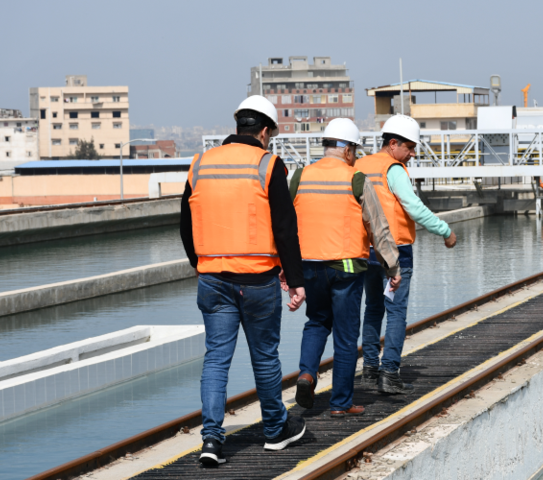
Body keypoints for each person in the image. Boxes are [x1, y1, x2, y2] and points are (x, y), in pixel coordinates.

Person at [179, 95, 307, 466]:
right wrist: (295, 278)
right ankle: (274, 430)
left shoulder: (200, 164)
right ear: (265, 131)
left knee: (216, 359)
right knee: (264, 357)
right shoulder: (268, 164)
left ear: (238, 126)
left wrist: (200, 262)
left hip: (212, 278)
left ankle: (211, 440)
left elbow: (185, 224)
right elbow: (285, 228)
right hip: (257, 278)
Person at [290, 118, 401, 417]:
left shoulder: (300, 176)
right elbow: (379, 228)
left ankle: (306, 375)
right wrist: (393, 267)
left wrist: (284, 270)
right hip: (347, 268)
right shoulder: (357, 179)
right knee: (345, 334)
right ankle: (340, 403)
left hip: (309, 266)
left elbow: (284, 225)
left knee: (316, 321)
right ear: (349, 150)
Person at [356, 114, 457, 395]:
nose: (412, 154)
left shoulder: (359, 166)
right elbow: (413, 207)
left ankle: (370, 370)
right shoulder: (394, 169)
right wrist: (445, 230)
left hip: (367, 249)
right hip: (396, 250)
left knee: (373, 308)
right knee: (396, 311)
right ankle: (390, 373)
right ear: (393, 144)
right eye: (409, 148)